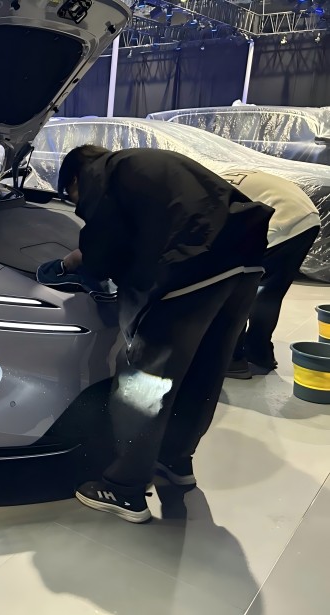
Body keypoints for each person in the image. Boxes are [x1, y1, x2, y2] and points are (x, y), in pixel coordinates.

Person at [49, 145, 272, 524]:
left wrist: (74, 261)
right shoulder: (144, 164)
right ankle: (175, 459)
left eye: (71, 196)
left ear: (74, 177)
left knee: (145, 379)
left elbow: (103, 248)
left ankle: (124, 487)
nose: (76, 203)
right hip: (243, 261)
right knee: (204, 369)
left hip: (191, 264)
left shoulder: (101, 171)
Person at [217, 170, 320, 378]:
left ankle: (233, 359)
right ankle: (259, 354)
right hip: (307, 218)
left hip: (280, 220)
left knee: (233, 290)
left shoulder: (198, 194)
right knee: (269, 292)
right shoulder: (212, 177)